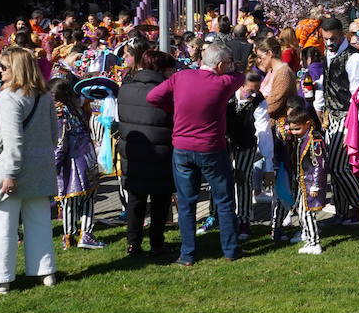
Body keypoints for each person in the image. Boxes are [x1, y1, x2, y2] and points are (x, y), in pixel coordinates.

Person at [146, 41, 244, 265]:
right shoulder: (224, 82)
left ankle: (188, 254)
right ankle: (230, 250)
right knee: (224, 200)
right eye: (226, 64)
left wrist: (175, 108)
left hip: (182, 147)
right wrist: (234, 66)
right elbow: (240, 76)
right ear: (220, 64)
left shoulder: (180, 77)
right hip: (212, 148)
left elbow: (153, 97)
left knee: (186, 202)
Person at [0, 47, 59, 294]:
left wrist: (11, 173)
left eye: (3, 67)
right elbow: (53, 134)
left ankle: (2, 278)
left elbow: (13, 141)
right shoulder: (44, 95)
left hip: (11, 169)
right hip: (40, 167)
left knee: (2, 226)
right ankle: (45, 271)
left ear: (16, 69)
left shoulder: (9, 98)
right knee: (39, 222)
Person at [117, 49, 176, 256]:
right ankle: (156, 243)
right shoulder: (166, 91)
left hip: (133, 152)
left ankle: (133, 242)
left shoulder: (125, 89)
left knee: (136, 200)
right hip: (160, 151)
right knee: (160, 200)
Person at [317, 16, 359, 225]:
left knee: (340, 167)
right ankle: (341, 211)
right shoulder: (328, 54)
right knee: (333, 167)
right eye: (325, 39)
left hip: (347, 118)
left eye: (333, 38)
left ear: (342, 35)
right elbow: (326, 81)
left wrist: (355, 124)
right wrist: (320, 107)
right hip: (331, 118)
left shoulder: (353, 58)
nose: (329, 43)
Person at [49, 77, 104, 250]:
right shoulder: (77, 109)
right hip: (86, 158)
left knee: (69, 201)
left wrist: (53, 165)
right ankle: (85, 234)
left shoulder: (60, 114)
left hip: (71, 163)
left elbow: (60, 143)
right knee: (87, 199)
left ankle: (69, 236)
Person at [226, 69, 269, 240]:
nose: (253, 94)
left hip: (246, 143)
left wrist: (268, 160)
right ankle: (217, 215)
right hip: (226, 140)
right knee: (222, 177)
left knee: (243, 179)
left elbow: (263, 129)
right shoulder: (228, 96)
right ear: (241, 86)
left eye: (257, 90)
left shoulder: (259, 101)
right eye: (250, 90)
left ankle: (244, 219)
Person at [283, 102, 329, 255]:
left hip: (310, 184)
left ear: (308, 124)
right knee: (302, 213)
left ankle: (314, 242)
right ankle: (309, 238)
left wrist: (316, 185)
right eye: (292, 129)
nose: (294, 132)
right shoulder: (302, 138)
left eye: (297, 129)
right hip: (303, 182)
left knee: (307, 213)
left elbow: (319, 164)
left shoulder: (314, 140)